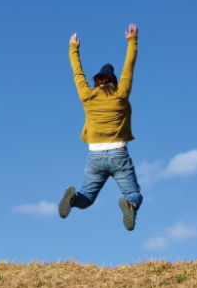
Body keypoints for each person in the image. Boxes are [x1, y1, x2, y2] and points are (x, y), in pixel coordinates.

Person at [58, 23, 143, 231]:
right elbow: (128, 68)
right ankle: (129, 205)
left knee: (86, 198)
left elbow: (77, 74)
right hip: (118, 155)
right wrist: (132, 41)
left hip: (94, 157)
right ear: (114, 81)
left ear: (97, 82)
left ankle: (72, 200)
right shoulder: (121, 94)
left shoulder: (87, 96)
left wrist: (73, 48)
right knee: (133, 193)